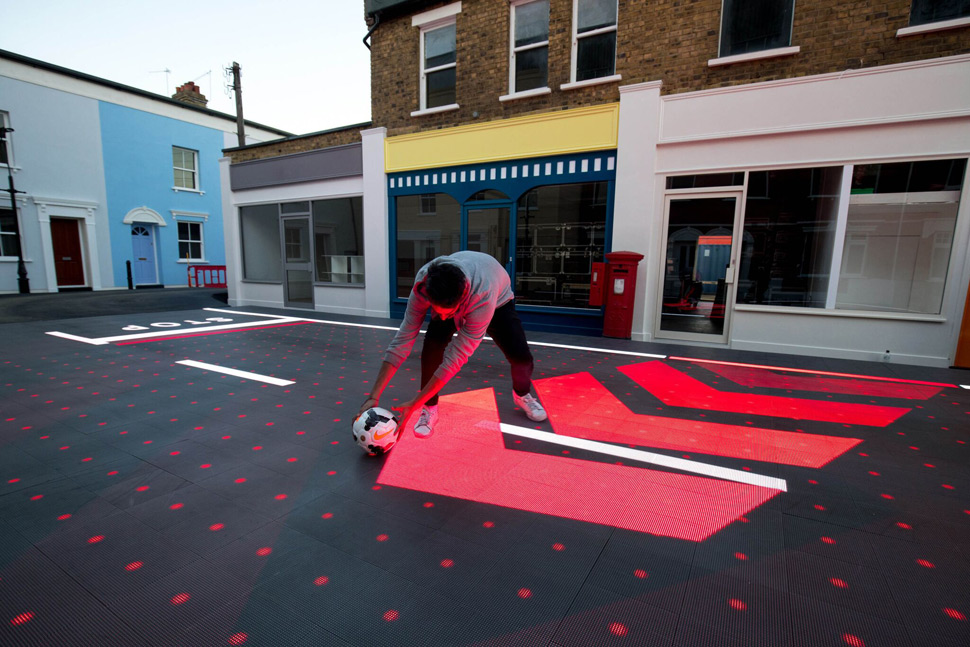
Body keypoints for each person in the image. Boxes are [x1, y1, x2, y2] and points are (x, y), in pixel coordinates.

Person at [359, 250, 547, 438]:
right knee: (432, 348)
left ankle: (522, 395)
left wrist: (414, 402)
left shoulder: (483, 294)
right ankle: (429, 406)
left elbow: (455, 358)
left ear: (462, 300)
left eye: (448, 314)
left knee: (521, 357)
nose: (442, 317)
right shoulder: (424, 282)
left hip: (498, 299)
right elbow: (404, 338)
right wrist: (373, 396)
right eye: (437, 311)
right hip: (461, 287)